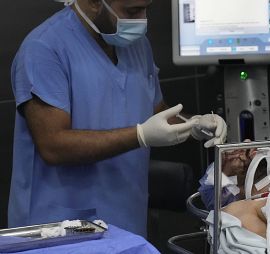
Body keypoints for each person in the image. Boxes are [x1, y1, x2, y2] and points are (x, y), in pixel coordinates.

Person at [8, 0, 226, 237]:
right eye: (132, 11)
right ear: (93, 3)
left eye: (146, 9)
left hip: (126, 219)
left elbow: (157, 112)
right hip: (59, 230)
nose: (142, 19)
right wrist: (140, 135)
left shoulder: (137, 45)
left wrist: (195, 124)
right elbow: (53, 145)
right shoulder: (44, 49)